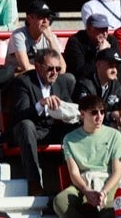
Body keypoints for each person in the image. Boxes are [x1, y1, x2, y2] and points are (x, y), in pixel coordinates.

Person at [6, 50, 77, 193]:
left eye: (58, 69)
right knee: (26, 125)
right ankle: (34, 182)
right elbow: (20, 114)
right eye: (50, 69)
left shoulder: (61, 82)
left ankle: (74, 181)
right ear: (37, 66)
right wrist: (40, 104)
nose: (55, 73)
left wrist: (68, 111)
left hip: (51, 129)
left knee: (75, 127)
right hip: (28, 131)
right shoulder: (23, 82)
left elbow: (69, 108)